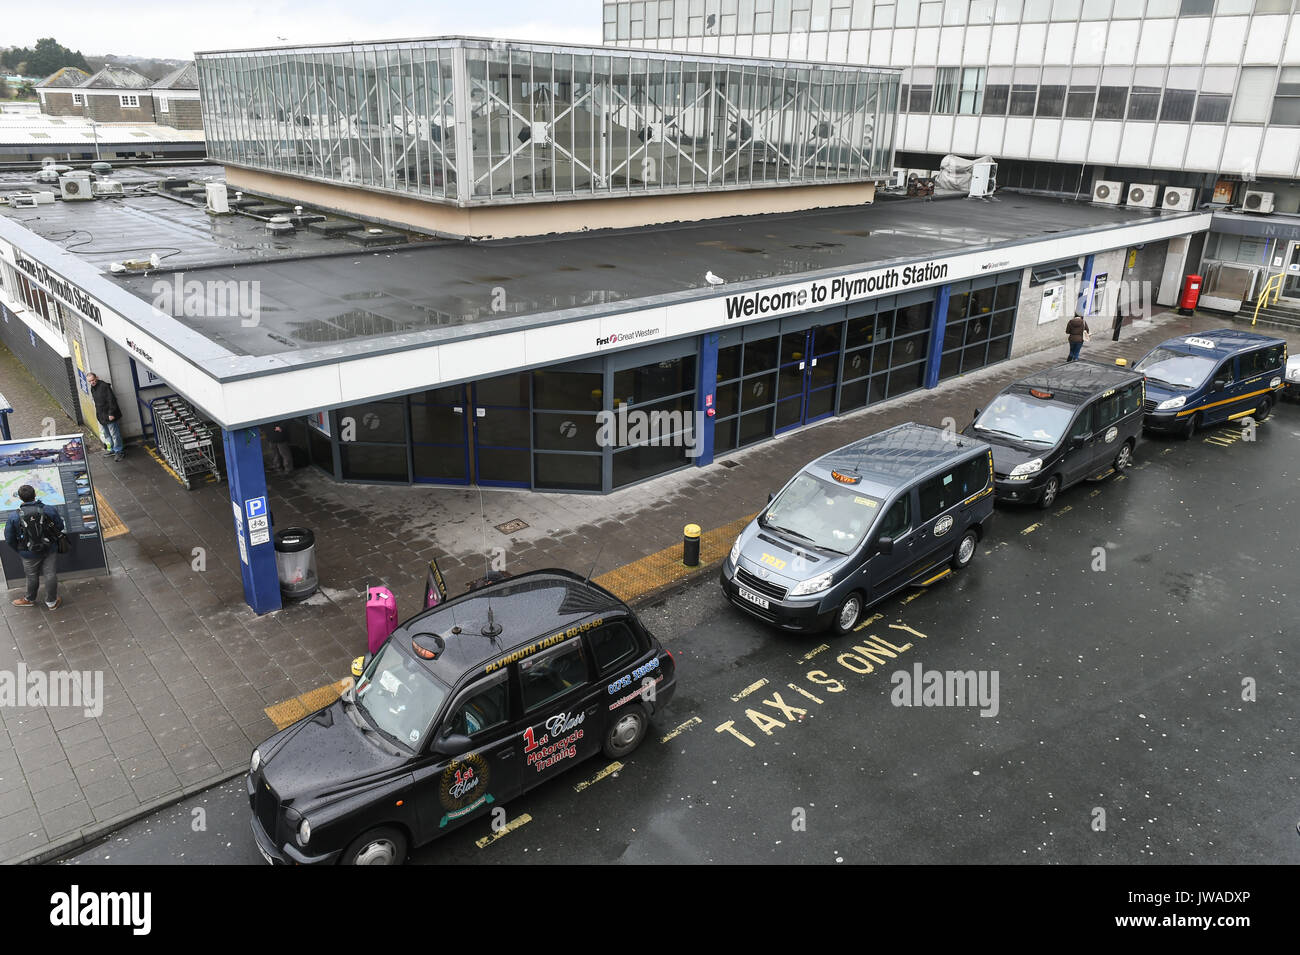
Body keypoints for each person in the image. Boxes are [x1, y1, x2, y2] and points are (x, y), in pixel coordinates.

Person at [4, 484, 65, 610]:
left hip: (28, 552)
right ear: (35, 495)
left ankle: (30, 599)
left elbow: (9, 538)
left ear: (20, 498)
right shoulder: (49, 510)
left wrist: (20, 550)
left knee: (31, 576)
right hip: (49, 548)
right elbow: (60, 526)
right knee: (50, 575)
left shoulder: (14, 516)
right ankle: (51, 602)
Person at [87, 372, 124, 461]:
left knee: (114, 434)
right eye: (90, 381)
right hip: (101, 415)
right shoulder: (93, 388)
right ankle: (112, 449)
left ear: (97, 378)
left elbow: (112, 400)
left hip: (109, 414)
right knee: (107, 434)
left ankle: (119, 451)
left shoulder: (104, 386)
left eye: (93, 380)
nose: (92, 382)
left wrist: (111, 413)